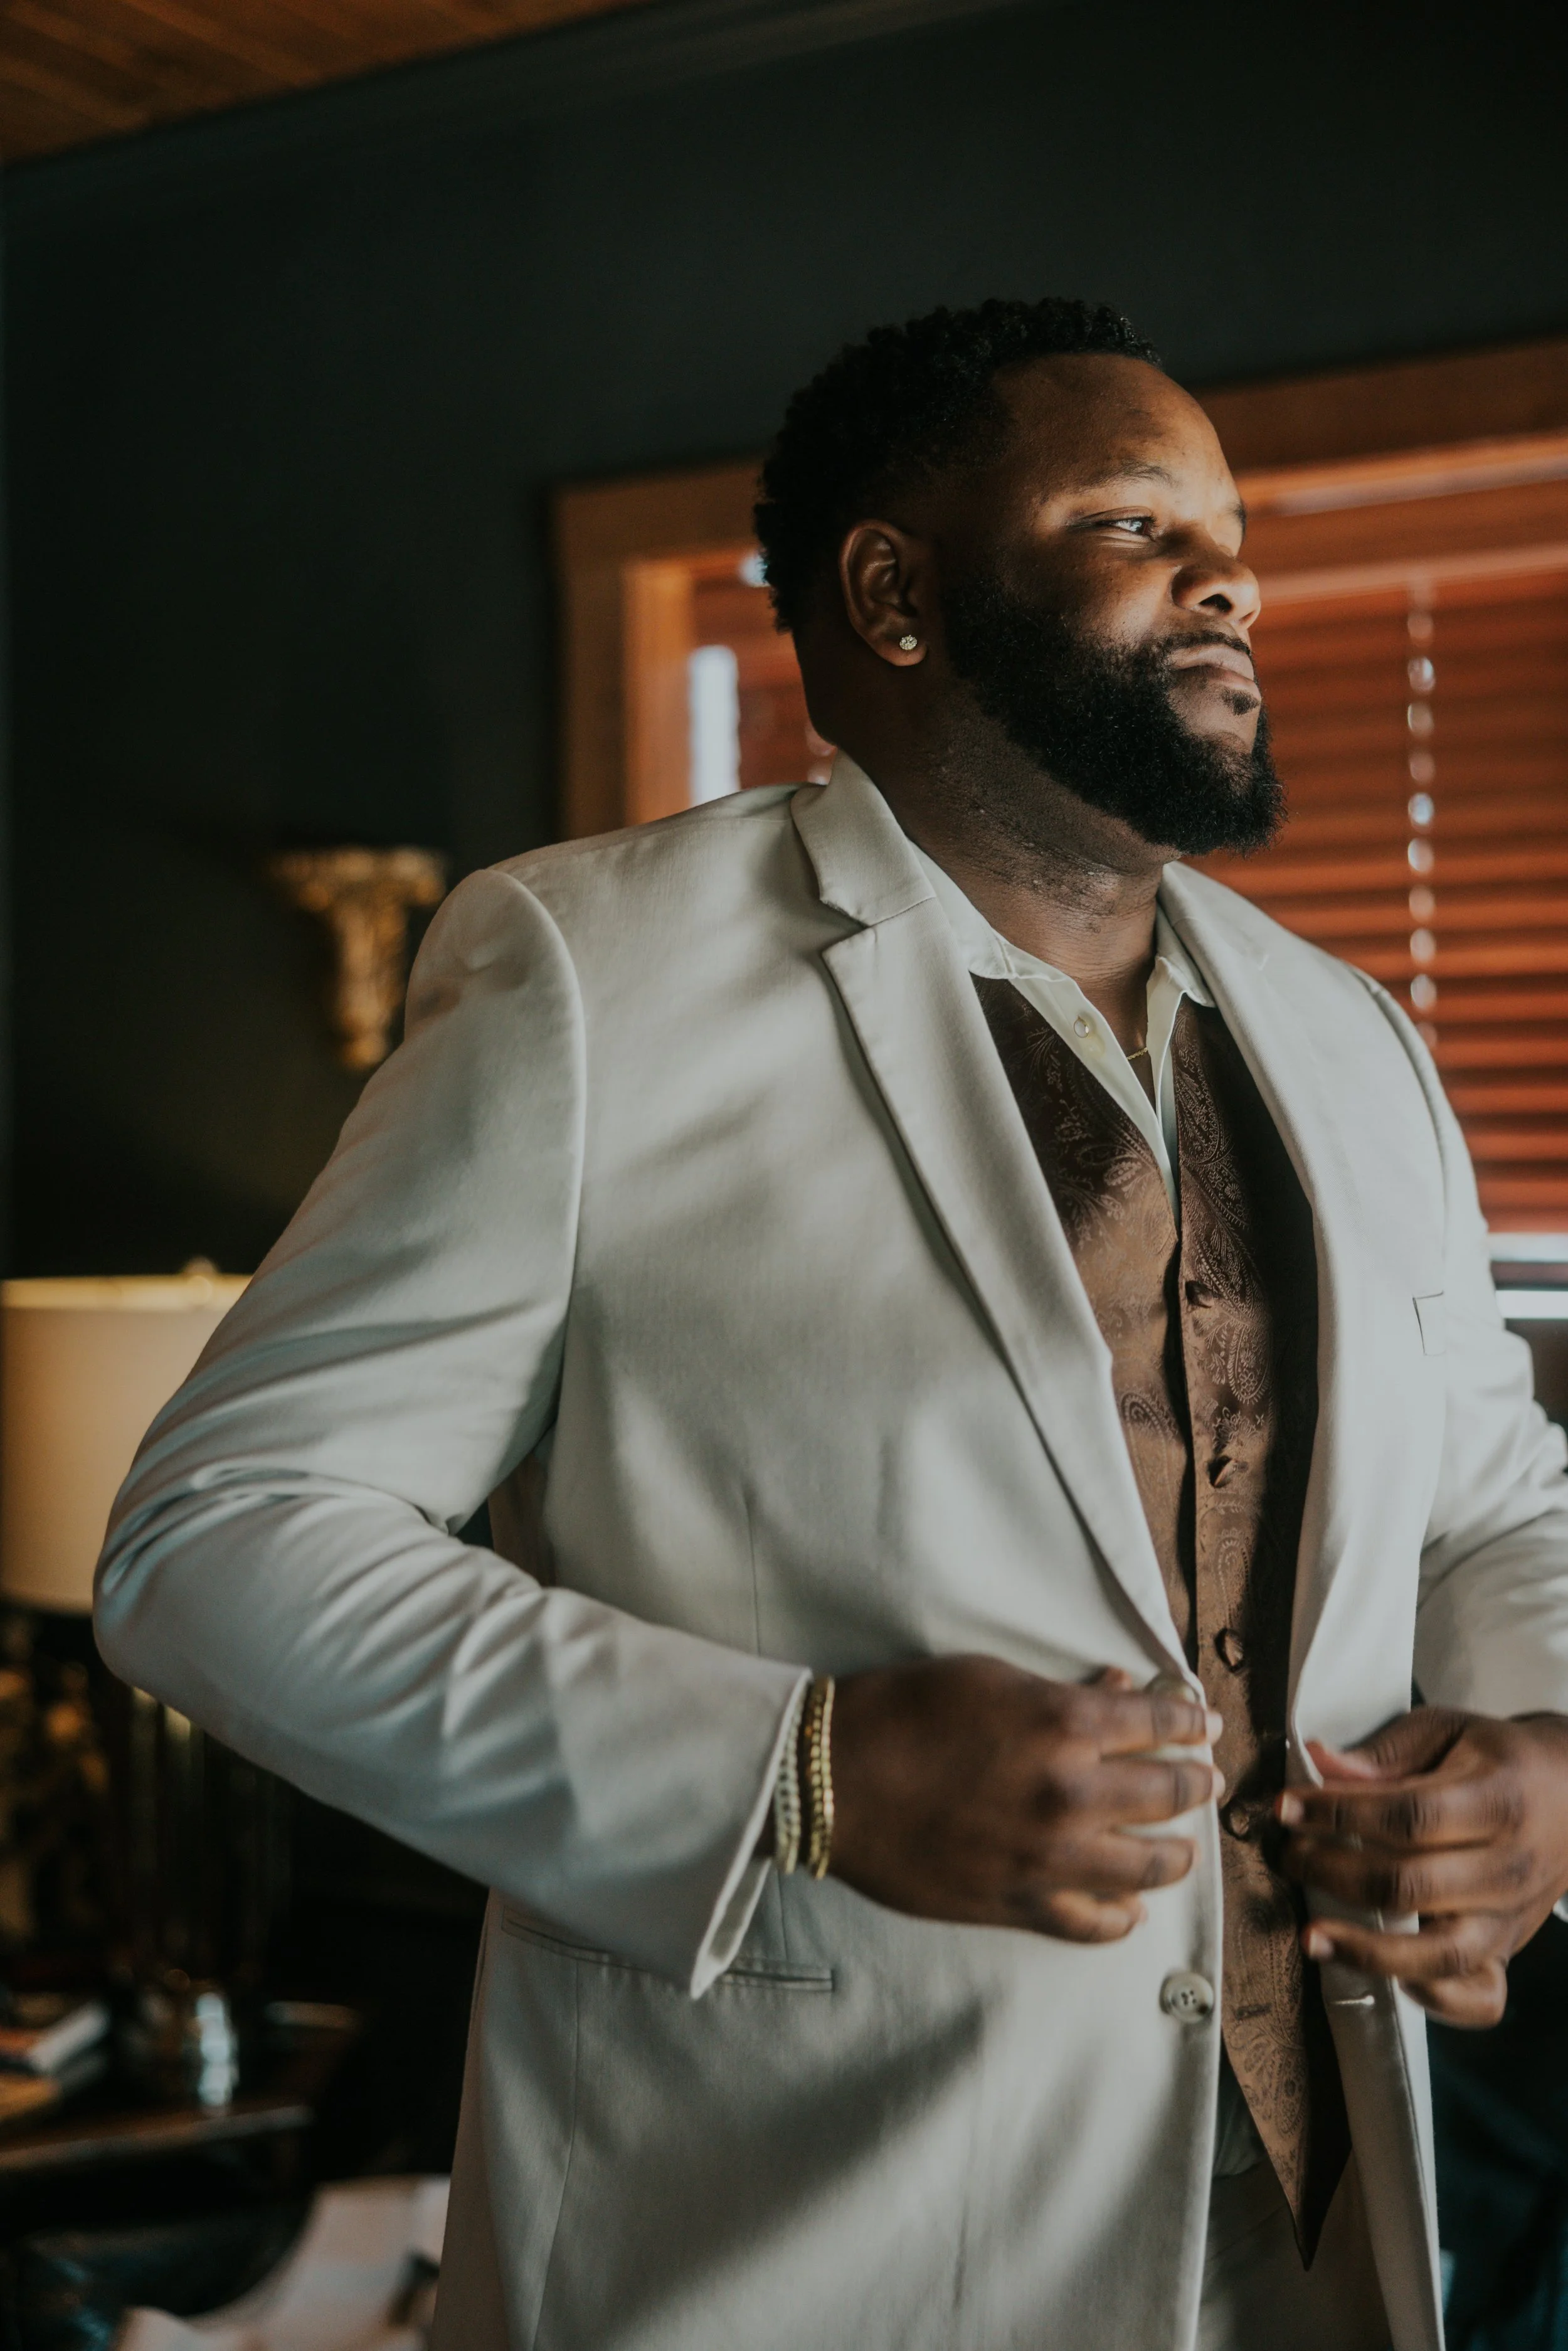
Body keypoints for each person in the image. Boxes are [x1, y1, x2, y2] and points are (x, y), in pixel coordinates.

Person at [95, 298, 1568, 2351]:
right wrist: (796, 1773)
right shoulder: (589, 973)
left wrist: (1541, 1757)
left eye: (1230, 526)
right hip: (801, 2250)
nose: (1226, 569)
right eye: (1136, 518)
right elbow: (218, 1542)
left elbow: (1496, 1501)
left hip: (1327, 2245)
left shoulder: (1355, 1038)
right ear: (891, 587)